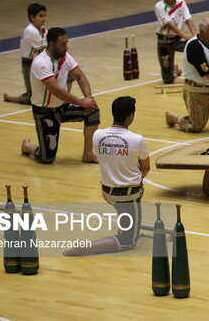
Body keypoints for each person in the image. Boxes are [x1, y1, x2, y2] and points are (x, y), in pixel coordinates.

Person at [64, 96, 150, 256]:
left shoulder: (97, 135)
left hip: (107, 192)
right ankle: (84, 248)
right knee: (128, 242)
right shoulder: (138, 140)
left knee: (126, 214)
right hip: (127, 196)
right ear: (131, 116)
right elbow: (145, 168)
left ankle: (129, 224)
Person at [21, 27, 100, 164]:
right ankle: (28, 146)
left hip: (62, 107)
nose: (66, 47)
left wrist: (89, 99)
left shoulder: (65, 57)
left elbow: (80, 76)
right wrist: (82, 103)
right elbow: (56, 90)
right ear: (52, 44)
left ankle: (88, 154)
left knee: (93, 111)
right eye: (63, 44)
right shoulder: (41, 63)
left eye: (67, 43)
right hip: (45, 112)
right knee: (47, 158)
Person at [4, 3, 73, 104]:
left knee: (69, 74)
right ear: (32, 17)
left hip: (43, 61)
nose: (44, 18)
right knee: (31, 98)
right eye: (40, 16)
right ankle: (10, 98)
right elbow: (46, 48)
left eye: (45, 16)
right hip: (29, 64)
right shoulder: (30, 31)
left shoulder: (44, 30)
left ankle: (66, 98)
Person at [154, 0, 197, 83]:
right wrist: (186, 37)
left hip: (178, 38)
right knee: (167, 80)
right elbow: (171, 25)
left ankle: (198, 73)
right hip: (164, 40)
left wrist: (195, 36)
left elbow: (188, 20)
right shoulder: (159, 6)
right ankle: (173, 69)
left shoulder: (181, 3)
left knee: (196, 49)